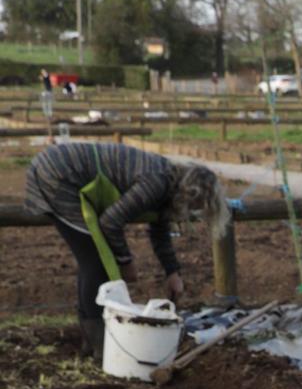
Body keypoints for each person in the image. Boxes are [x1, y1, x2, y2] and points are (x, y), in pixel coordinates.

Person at [23, 141, 229, 358]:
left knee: (94, 263)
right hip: (59, 173)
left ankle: (91, 344)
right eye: (194, 208)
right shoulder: (156, 183)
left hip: (59, 170)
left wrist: (173, 272)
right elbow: (111, 221)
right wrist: (126, 262)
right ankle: (100, 347)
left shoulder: (166, 185)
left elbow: (159, 231)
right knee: (96, 264)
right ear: (191, 194)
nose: (190, 214)